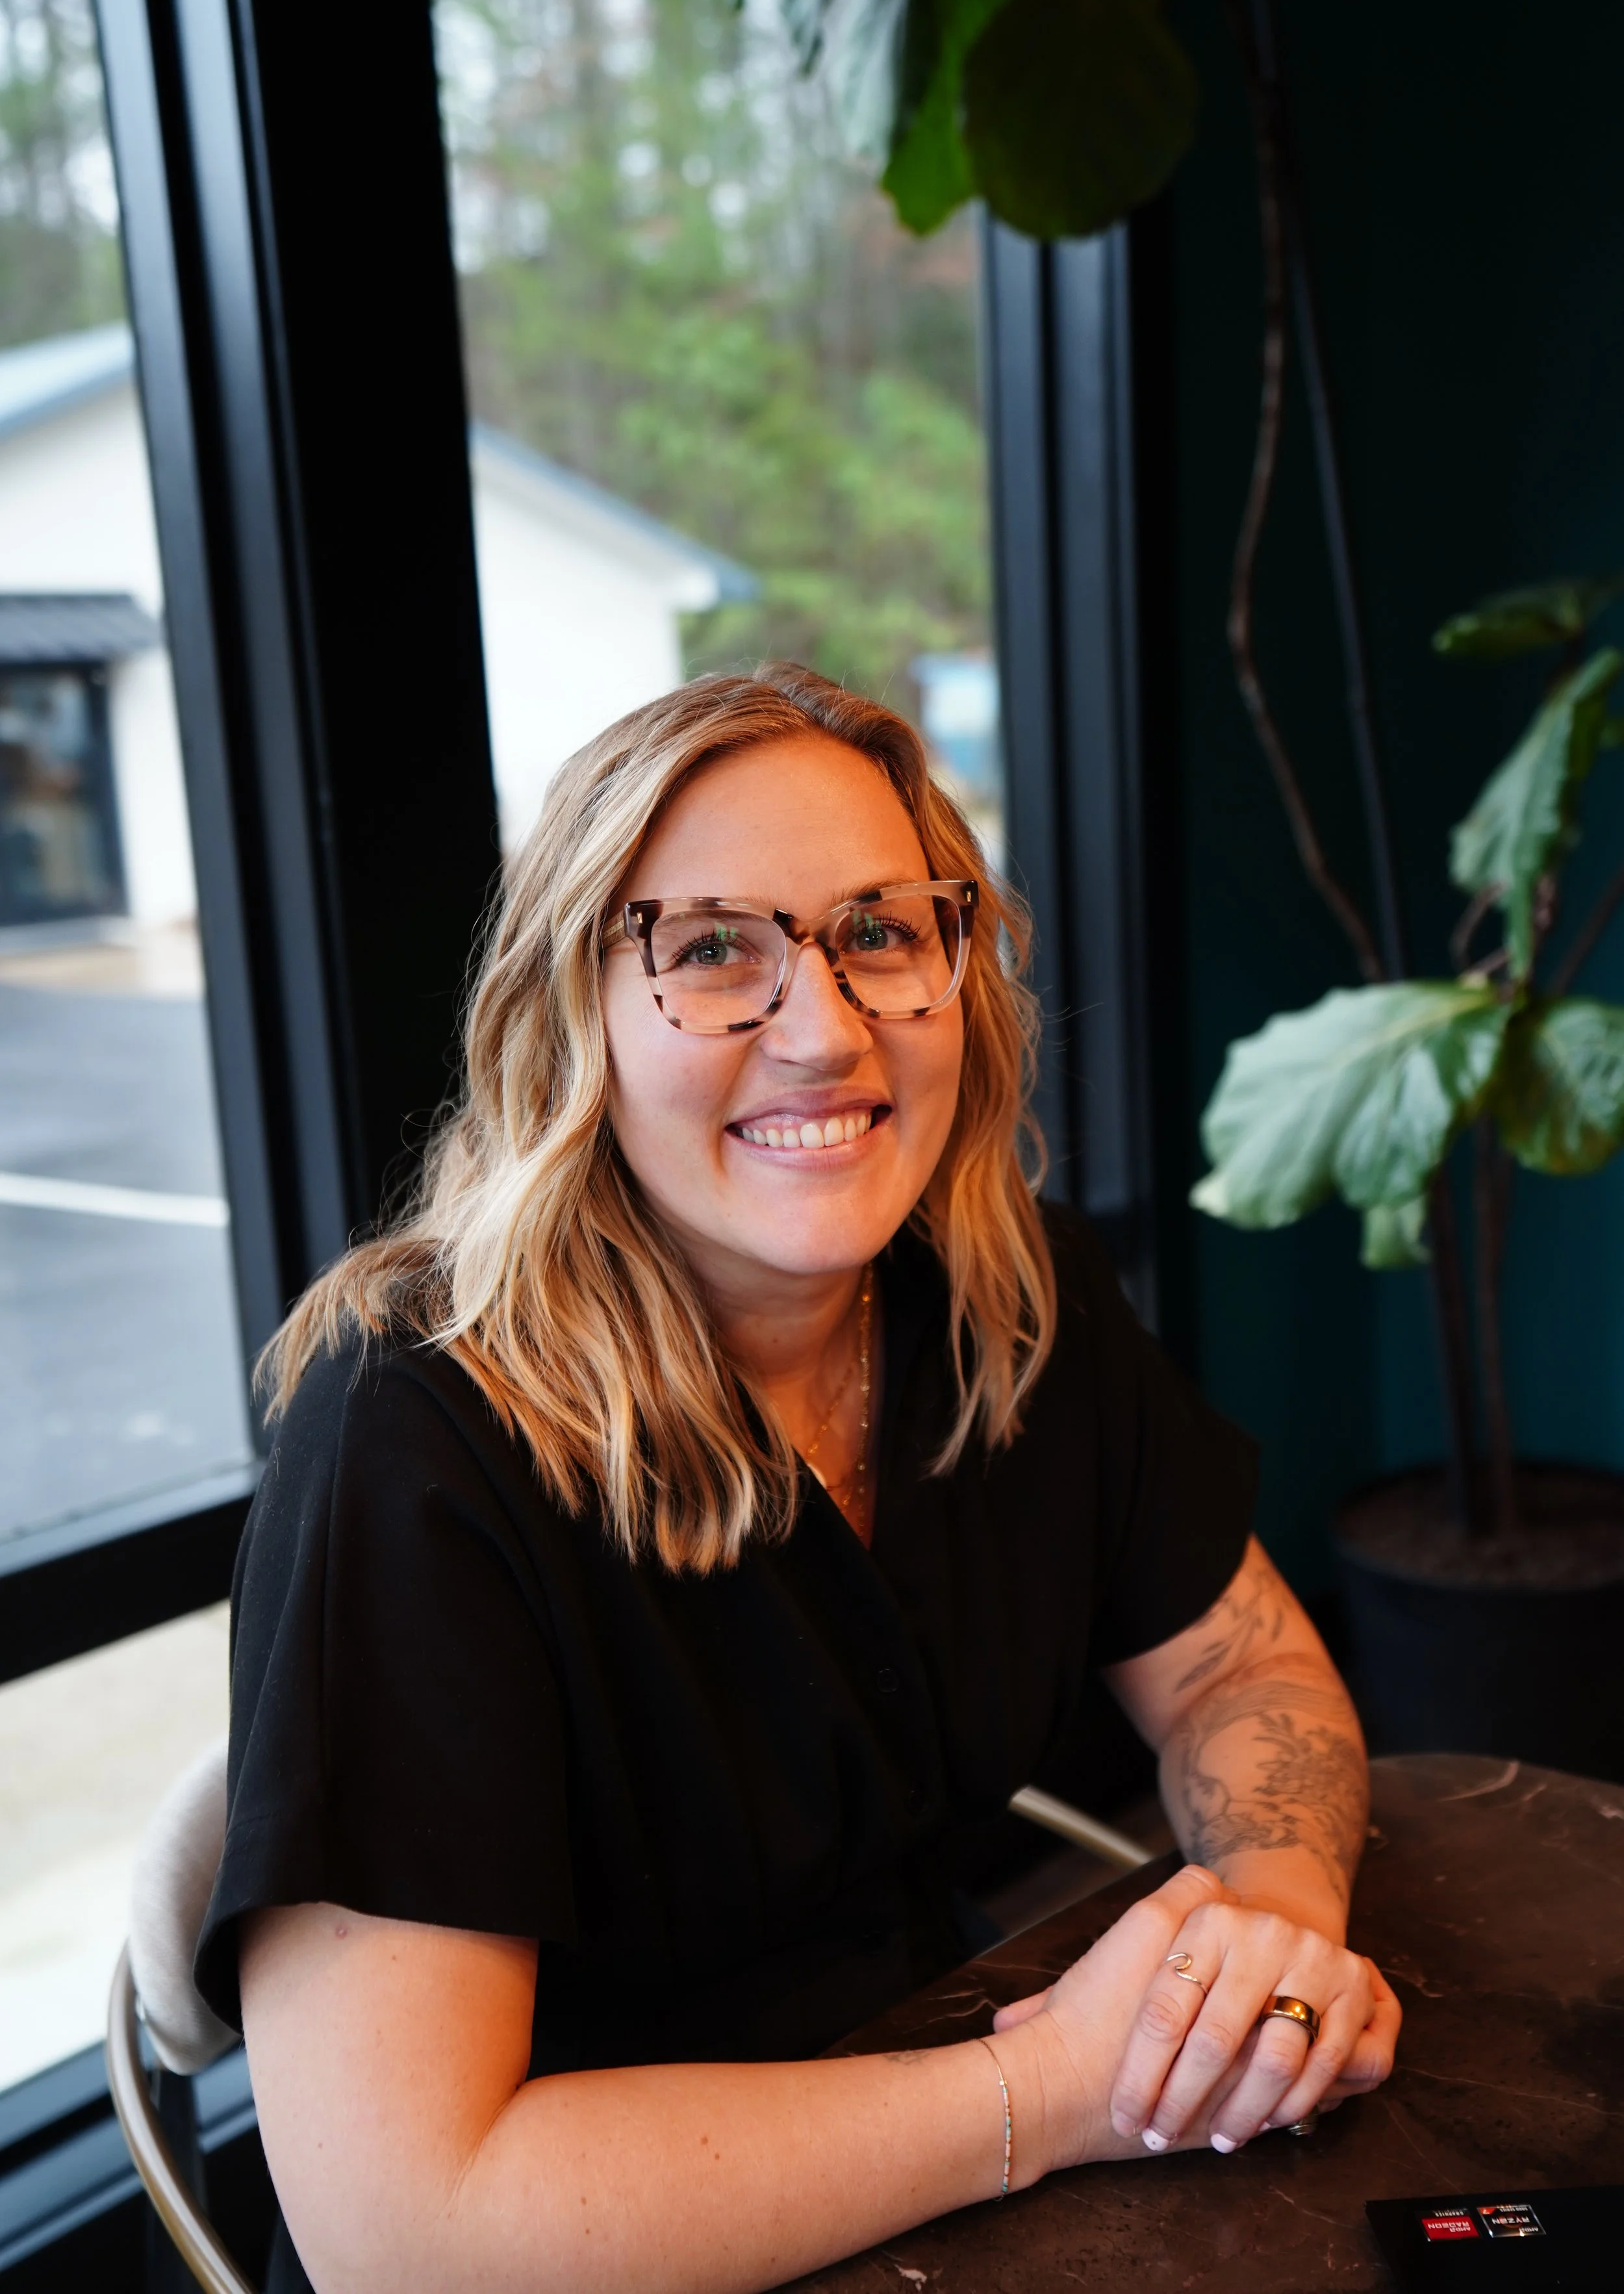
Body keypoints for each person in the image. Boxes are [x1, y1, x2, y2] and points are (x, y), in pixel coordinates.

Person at [197, 665, 1400, 2294]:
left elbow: (1241, 1662)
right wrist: (1049, 2091)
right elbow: (411, 2235)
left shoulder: (997, 1296)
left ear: (958, 974)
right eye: (709, 951)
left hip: (929, 2177)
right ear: (576, 1018)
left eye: (879, 933)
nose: (822, 1032)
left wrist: (1258, 1936)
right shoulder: (412, 1436)